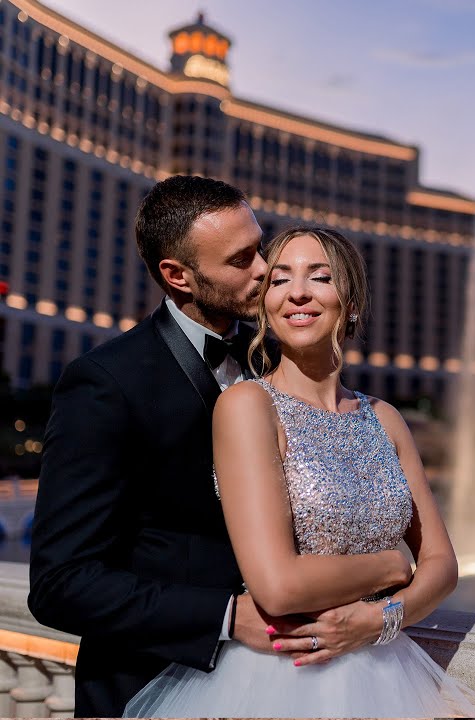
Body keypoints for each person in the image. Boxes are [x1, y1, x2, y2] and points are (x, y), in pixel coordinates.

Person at [122, 227, 475, 717]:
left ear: (351, 301)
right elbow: (276, 585)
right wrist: (393, 567)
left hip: (388, 670)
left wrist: (384, 617)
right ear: (266, 305)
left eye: (319, 277)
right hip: (282, 680)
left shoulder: (385, 418)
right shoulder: (248, 405)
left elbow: (443, 564)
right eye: (279, 279)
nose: (297, 292)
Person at [26, 176, 337, 716]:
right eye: (241, 260)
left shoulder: (275, 362)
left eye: (259, 247)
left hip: (286, 685)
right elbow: (60, 583)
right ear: (178, 276)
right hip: (150, 687)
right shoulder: (105, 381)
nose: (265, 269)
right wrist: (224, 616)